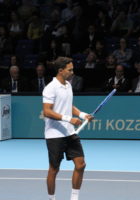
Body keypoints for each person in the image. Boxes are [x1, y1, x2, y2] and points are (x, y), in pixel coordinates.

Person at [42, 57, 93, 200]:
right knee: (54, 169)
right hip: (54, 135)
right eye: (69, 70)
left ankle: (74, 198)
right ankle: (52, 199)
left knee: (81, 164)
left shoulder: (68, 85)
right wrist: (68, 118)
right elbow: (47, 111)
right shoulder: (50, 88)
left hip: (70, 132)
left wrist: (83, 115)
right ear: (60, 71)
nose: (72, 72)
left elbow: (68, 106)